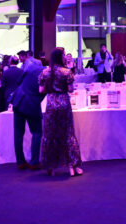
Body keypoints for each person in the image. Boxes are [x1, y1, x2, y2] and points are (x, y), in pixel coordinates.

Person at [39, 48, 83, 177]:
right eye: (64, 54)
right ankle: (73, 165)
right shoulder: (67, 72)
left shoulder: (45, 72)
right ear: (60, 57)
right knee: (68, 134)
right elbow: (70, 89)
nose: (65, 56)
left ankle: (50, 166)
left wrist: (51, 89)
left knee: (50, 135)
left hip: (51, 104)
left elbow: (41, 90)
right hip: (64, 103)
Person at [12, 53, 46, 170]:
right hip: (31, 104)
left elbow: (18, 82)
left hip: (18, 100)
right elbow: (43, 90)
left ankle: (20, 162)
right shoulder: (46, 73)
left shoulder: (29, 68)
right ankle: (34, 162)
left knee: (18, 133)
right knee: (37, 133)